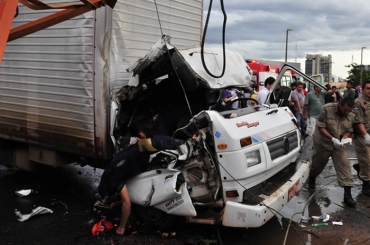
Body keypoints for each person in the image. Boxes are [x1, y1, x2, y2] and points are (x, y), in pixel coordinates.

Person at [308, 97, 356, 207]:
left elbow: (349, 130)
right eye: (345, 110)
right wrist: (332, 139)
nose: (347, 112)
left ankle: (347, 195)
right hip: (323, 143)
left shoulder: (351, 114)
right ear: (340, 105)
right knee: (317, 166)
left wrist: (344, 137)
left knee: (344, 166)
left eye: (349, 110)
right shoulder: (327, 109)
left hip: (339, 145)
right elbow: (321, 127)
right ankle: (312, 177)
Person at [353, 80, 370, 196]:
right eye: (368, 88)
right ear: (362, 89)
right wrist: (365, 135)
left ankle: (359, 167)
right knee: (367, 160)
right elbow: (358, 121)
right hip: (362, 135)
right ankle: (366, 186)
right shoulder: (358, 102)